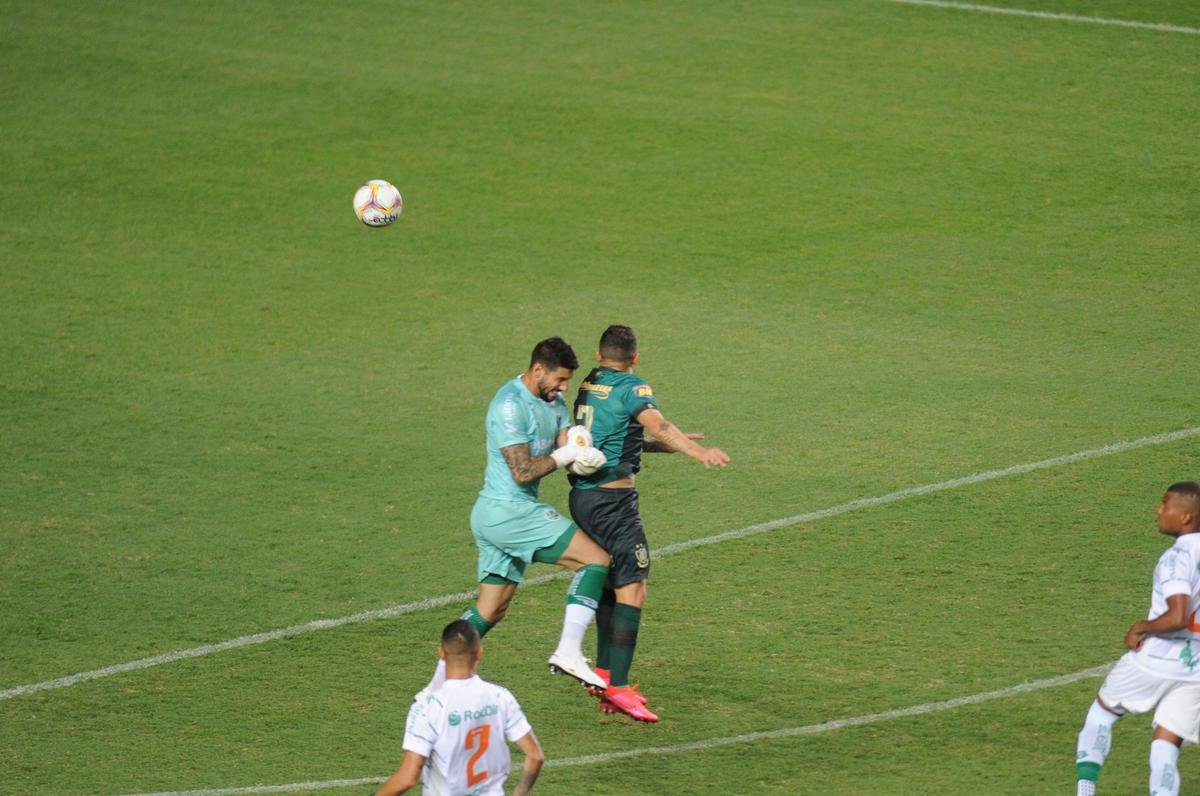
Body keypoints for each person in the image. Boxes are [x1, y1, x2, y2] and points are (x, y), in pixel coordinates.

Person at [423, 337, 611, 697]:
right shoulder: (509, 406)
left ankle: (434, 688)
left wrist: (584, 456)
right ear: (538, 369)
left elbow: (565, 449)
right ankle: (568, 651)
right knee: (595, 561)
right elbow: (523, 472)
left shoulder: (554, 402)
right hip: (509, 511)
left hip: (499, 515)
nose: (564, 388)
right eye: (559, 379)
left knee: (490, 611)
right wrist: (565, 456)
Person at [567, 324, 730, 722]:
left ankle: (605, 673)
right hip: (613, 503)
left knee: (611, 580)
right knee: (634, 585)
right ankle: (619, 687)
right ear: (635, 358)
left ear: (599, 354)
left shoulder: (590, 383)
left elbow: (613, 435)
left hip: (584, 497)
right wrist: (697, 452)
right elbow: (657, 424)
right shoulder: (632, 386)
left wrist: (661, 446)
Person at [1073, 481, 1200, 796]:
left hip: (1157, 659)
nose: (1159, 510)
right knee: (1166, 744)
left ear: (1186, 516)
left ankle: (1085, 791)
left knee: (1102, 713)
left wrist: (1141, 626)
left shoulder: (1177, 558)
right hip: (1196, 670)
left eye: (1165, 503)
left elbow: (1178, 616)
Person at [378, 620, 544, 796]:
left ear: (441, 653)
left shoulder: (427, 708)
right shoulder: (501, 697)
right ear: (479, 652)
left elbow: (408, 778)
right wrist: (519, 793)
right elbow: (535, 756)